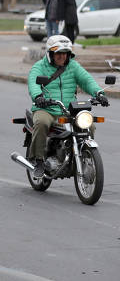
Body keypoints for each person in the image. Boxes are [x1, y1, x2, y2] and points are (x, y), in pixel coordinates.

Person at [28, 34, 107, 179]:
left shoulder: (73, 66)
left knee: (89, 125)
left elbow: (86, 80)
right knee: (41, 123)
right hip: (47, 108)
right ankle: (38, 160)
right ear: (50, 53)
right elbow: (33, 83)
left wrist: (99, 93)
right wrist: (38, 97)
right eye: (58, 53)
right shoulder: (39, 67)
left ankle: (84, 155)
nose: (62, 56)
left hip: (68, 110)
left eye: (65, 53)